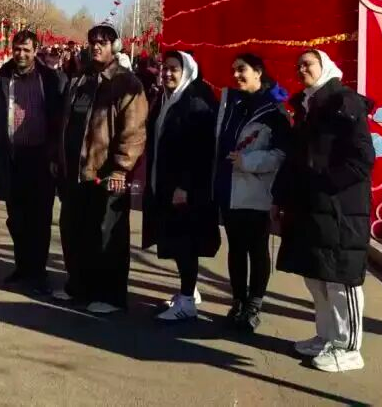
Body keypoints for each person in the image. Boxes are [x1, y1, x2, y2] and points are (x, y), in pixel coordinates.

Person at [272, 50, 375, 373]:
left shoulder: (344, 103)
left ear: (325, 67)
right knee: (317, 277)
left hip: (340, 209)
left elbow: (361, 160)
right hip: (310, 209)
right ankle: (327, 337)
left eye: (308, 64)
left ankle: (348, 348)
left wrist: (326, 184)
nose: (301, 69)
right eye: (298, 65)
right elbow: (295, 159)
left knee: (341, 281)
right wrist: (282, 197)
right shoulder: (307, 107)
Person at [54, 23, 147, 314]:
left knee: (108, 236)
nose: (96, 46)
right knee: (74, 231)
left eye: (103, 42)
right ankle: (78, 286)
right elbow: (66, 122)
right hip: (76, 171)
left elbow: (134, 132)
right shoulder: (81, 78)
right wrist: (59, 158)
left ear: (114, 47)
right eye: (93, 41)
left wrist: (121, 168)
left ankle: (110, 296)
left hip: (106, 174)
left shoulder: (127, 83)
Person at [214, 53, 290, 331]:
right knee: (235, 249)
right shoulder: (232, 105)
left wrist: (248, 162)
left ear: (258, 71)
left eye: (242, 69)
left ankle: (254, 305)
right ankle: (238, 300)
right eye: (233, 70)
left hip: (257, 192)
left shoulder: (274, 111)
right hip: (229, 190)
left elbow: (281, 154)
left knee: (257, 250)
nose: (236, 75)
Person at [142, 51, 219, 321]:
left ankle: (187, 303)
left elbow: (201, 151)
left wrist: (185, 186)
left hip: (184, 190)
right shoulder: (167, 99)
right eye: (165, 68)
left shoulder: (195, 104)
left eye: (174, 69)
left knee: (185, 243)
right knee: (175, 241)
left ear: (187, 71)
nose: (167, 73)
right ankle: (189, 291)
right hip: (165, 183)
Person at [0, 29, 66, 294]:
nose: (21, 54)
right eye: (17, 49)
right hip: (12, 158)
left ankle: (38, 271)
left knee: (40, 218)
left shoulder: (51, 79)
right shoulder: (1, 78)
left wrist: (55, 154)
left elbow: (58, 119)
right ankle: (22, 266)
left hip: (41, 158)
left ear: (36, 51)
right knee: (16, 217)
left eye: (26, 50)